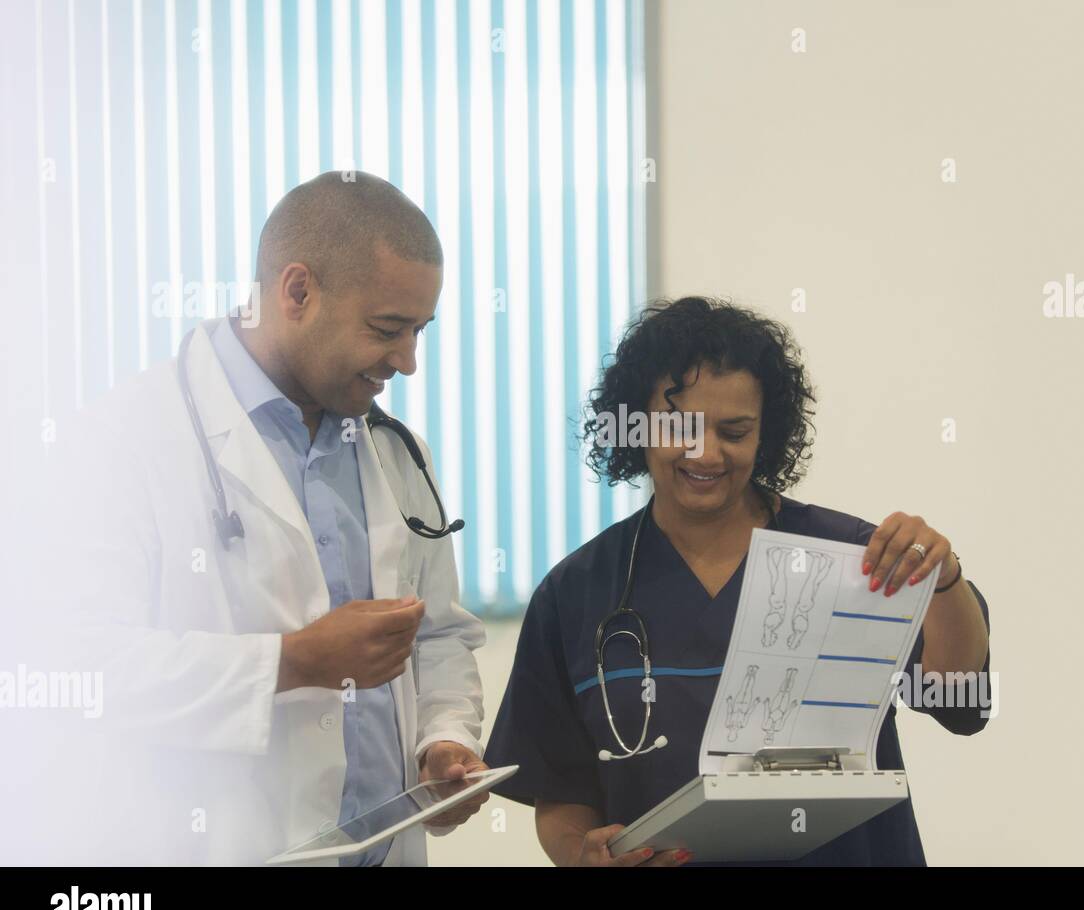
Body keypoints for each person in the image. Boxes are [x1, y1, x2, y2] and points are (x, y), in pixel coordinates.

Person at [54, 171, 488, 865]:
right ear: (297, 292)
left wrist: (445, 740)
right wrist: (289, 663)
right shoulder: (120, 443)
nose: (407, 362)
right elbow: (81, 667)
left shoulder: (394, 452)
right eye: (387, 329)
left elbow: (435, 635)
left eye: (420, 331)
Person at [484, 296, 991, 866]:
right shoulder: (575, 593)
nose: (706, 453)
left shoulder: (852, 557)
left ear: (764, 434)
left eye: (734, 431)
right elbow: (561, 790)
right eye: (680, 427)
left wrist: (944, 579)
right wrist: (582, 856)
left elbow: (955, 698)